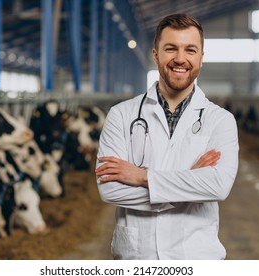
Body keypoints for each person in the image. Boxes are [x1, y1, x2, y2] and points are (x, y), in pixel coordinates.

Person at [95, 13, 239, 260]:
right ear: (156, 54)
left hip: (196, 258)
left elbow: (217, 186)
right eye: (170, 48)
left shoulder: (220, 120)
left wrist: (141, 177)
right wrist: (190, 183)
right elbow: (110, 190)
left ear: (201, 58)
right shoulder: (121, 115)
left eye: (190, 50)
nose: (180, 59)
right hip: (136, 257)